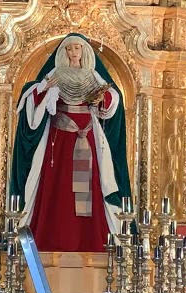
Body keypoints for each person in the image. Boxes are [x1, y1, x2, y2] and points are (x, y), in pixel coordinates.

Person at [8, 34, 132, 252]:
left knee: (89, 189)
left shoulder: (92, 76)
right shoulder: (54, 75)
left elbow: (112, 98)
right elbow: (32, 97)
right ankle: (50, 240)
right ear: (63, 53)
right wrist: (44, 89)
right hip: (60, 140)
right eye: (69, 49)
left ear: (84, 51)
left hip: (88, 139)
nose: (73, 53)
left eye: (77, 48)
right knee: (58, 187)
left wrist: (103, 99)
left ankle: (90, 242)